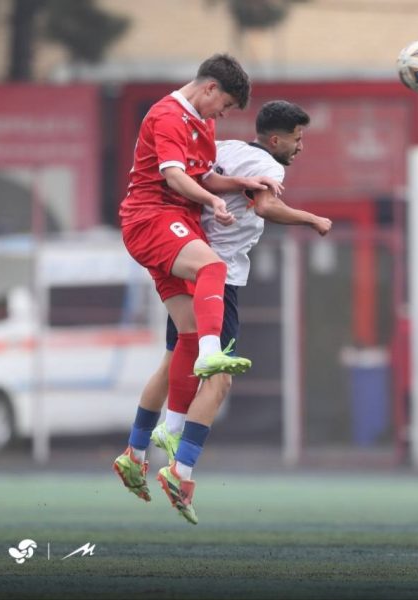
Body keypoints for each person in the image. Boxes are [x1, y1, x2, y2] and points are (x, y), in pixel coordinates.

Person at [123, 100, 332, 524]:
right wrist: (312, 219)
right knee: (218, 380)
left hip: (187, 259)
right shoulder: (268, 167)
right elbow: (266, 207)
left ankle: (134, 452)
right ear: (276, 139)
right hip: (218, 278)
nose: (300, 147)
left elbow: (199, 177)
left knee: (173, 360)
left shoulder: (226, 148)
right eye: (297, 139)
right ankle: (180, 470)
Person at [112, 54, 284, 521]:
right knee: (212, 268)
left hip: (177, 224)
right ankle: (196, 390)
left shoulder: (202, 123)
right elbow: (174, 177)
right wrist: (213, 200)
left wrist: (238, 183)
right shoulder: (167, 115)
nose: (221, 116)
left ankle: (135, 454)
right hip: (152, 219)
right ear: (209, 88)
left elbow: (203, 175)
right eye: (223, 105)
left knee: (183, 340)